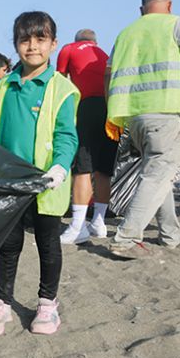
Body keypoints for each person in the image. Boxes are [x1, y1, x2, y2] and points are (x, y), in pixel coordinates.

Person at [105, 0, 180, 259]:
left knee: (159, 174)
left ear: (141, 10)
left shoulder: (125, 34)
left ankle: (170, 234)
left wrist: (111, 113)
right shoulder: (176, 24)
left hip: (132, 117)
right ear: (169, 5)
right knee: (157, 174)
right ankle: (126, 237)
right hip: (164, 113)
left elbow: (108, 76)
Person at [0, 11, 78, 336]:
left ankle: (48, 305)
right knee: (8, 245)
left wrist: (60, 167)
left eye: (40, 39)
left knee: (48, 243)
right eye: (25, 39)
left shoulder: (61, 88)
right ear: (15, 44)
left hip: (47, 182)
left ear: (53, 44)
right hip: (9, 181)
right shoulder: (6, 85)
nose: (32, 46)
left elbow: (67, 135)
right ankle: (1, 302)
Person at [56, 29, 117, 244]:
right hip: (111, 109)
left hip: (86, 107)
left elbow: (59, 82)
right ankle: (99, 223)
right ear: (94, 42)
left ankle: (78, 226)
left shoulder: (69, 49)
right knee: (103, 170)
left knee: (83, 168)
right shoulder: (103, 54)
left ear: (77, 40)